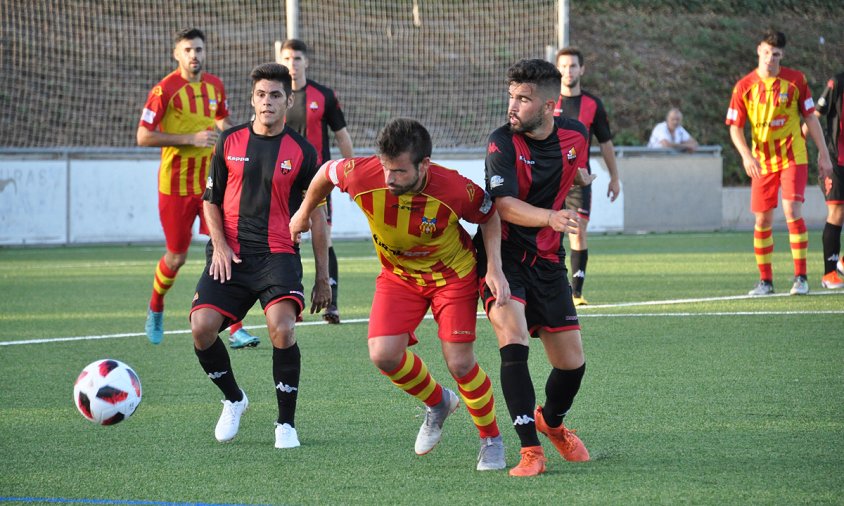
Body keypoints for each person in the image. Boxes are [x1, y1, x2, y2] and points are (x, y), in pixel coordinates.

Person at [289, 118, 511, 471]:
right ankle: (438, 403)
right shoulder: (364, 175)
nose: (389, 179)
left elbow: (490, 217)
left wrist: (494, 268)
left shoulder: (455, 188)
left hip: (451, 277)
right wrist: (303, 213)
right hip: (398, 277)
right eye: (385, 168)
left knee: (460, 363)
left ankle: (491, 439)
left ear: (424, 165)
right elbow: (327, 173)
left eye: (400, 171)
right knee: (384, 355)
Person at [189, 63, 331, 449]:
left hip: (278, 255)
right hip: (230, 254)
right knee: (201, 328)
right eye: (261, 95)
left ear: (288, 100)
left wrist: (323, 277)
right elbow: (210, 201)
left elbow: (317, 216)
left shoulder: (303, 152)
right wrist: (219, 245)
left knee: (282, 330)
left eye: (275, 95)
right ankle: (234, 399)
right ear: (252, 99)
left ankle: (285, 424)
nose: (267, 102)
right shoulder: (229, 141)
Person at [476, 58, 595, 477]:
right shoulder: (502, 143)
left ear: (549, 105)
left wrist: (581, 177)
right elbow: (503, 206)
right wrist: (550, 216)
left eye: (523, 99)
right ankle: (530, 450)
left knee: (571, 364)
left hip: (548, 260)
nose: (513, 106)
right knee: (514, 342)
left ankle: (552, 423)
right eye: (511, 96)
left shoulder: (576, 134)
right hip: (504, 257)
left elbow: (577, 167)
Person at [137, 28, 260, 349]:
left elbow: (222, 120)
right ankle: (156, 305)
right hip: (175, 186)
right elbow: (143, 136)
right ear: (177, 54)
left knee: (226, 247)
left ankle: (235, 329)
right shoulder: (164, 90)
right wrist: (188, 139)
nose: (195, 55)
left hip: (211, 186)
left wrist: (248, 137)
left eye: (199, 49)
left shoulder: (215, 86)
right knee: (176, 257)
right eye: (188, 50)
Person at [726, 29, 833, 296]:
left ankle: (801, 277)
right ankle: (766, 281)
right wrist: (746, 156)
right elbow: (735, 128)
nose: (770, 58)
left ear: (781, 55)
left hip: (792, 157)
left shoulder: (796, 80)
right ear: (758, 51)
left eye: (775, 54)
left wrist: (824, 154)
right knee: (761, 221)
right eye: (766, 52)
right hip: (761, 161)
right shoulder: (744, 86)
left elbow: (810, 118)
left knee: (792, 212)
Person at [278, 39, 354, 324]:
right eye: (287, 58)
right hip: (284, 179)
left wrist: (351, 174)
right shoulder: (275, 95)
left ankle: (331, 303)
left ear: (306, 62)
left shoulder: (324, 95)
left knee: (325, 237)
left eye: (297, 58)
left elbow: (342, 135)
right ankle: (292, 299)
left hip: (319, 180)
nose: (292, 63)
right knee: (288, 236)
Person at [554, 47, 621, 306]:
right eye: (564, 66)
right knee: (550, 233)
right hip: (549, 180)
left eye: (573, 66)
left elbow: (605, 143)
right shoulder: (548, 102)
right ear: (557, 69)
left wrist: (614, 177)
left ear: (582, 69)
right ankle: (554, 287)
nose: (568, 71)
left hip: (579, 181)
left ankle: (576, 293)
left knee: (578, 230)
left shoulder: (593, 104)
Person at [813, 72, 844, 289]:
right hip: (837, 158)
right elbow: (814, 115)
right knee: (837, 212)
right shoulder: (838, 82)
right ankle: (829, 273)